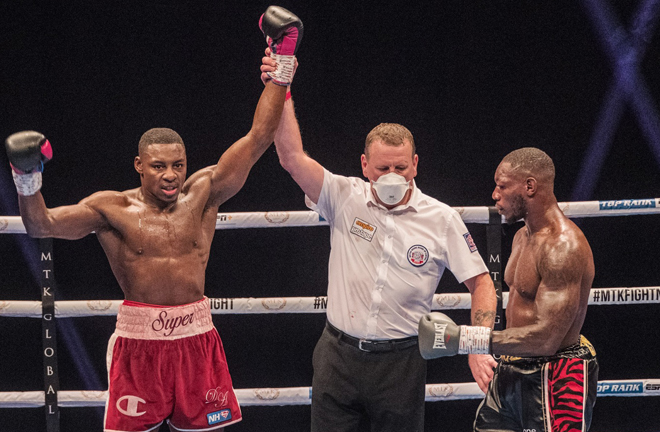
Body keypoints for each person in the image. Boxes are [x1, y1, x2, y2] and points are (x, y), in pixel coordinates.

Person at [5, 6, 302, 432]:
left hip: (197, 337)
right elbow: (42, 226)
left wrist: (284, 62)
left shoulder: (204, 193)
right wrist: (26, 178)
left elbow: (258, 138)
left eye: (178, 165)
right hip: (139, 342)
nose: (170, 175)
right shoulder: (111, 209)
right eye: (159, 166)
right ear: (139, 166)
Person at [261, 57, 497, 432]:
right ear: (365, 164)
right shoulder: (343, 195)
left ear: (415, 165)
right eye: (383, 168)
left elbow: (482, 283)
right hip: (336, 354)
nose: (392, 176)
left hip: (401, 363)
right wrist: (282, 85)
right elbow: (291, 157)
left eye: (400, 168)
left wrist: (476, 345)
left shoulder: (441, 218)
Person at [418, 147, 598, 431]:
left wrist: (465, 339)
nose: (494, 194)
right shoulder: (521, 237)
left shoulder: (563, 247)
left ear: (529, 186)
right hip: (512, 369)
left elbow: (547, 339)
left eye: (502, 185)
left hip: (555, 375)